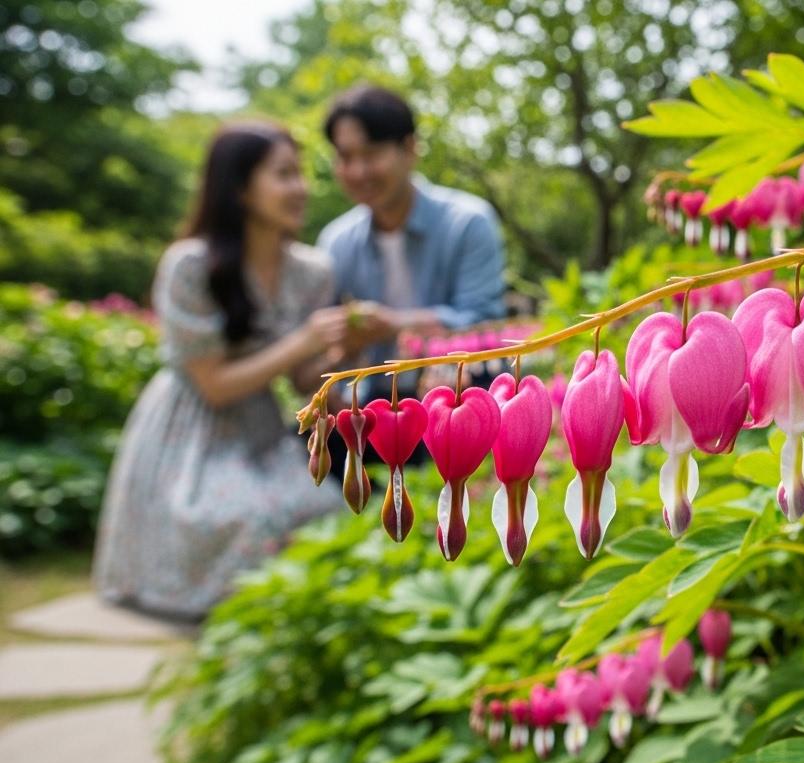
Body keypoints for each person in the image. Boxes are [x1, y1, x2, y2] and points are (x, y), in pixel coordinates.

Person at [93, 122, 345, 620]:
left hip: (260, 431)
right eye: (284, 175)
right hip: (188, 430)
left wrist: (338, 353)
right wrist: (303, 341)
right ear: (239, 188)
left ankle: (290, 621)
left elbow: (301, 379)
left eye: (301, 174)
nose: (301, 188)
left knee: (326, 508)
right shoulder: (190, 266)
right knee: (244, 517)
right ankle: (237, 621)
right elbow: (213, 387)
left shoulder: (312, 271)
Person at [317, 84, 507, 394]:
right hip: (375, 403)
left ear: (410, 149)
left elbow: (484, 326)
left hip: (466, 390)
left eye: (371, 153)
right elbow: (330, 351)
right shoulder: (337, 242)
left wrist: (392, 325)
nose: (358, 171)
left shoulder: (468, 223)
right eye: (345, 157)